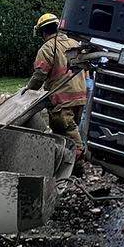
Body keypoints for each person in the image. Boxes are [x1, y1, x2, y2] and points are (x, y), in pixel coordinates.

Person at [25, 12, 86, 152]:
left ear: (42, 31)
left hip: (62, 100)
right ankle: (66, 163)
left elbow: (40, 74)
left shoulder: (47, 49)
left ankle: (77, 164)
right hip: (80, 97)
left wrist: (30, 91)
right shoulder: (74, 43)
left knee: (68, 133)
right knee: (69, 130)